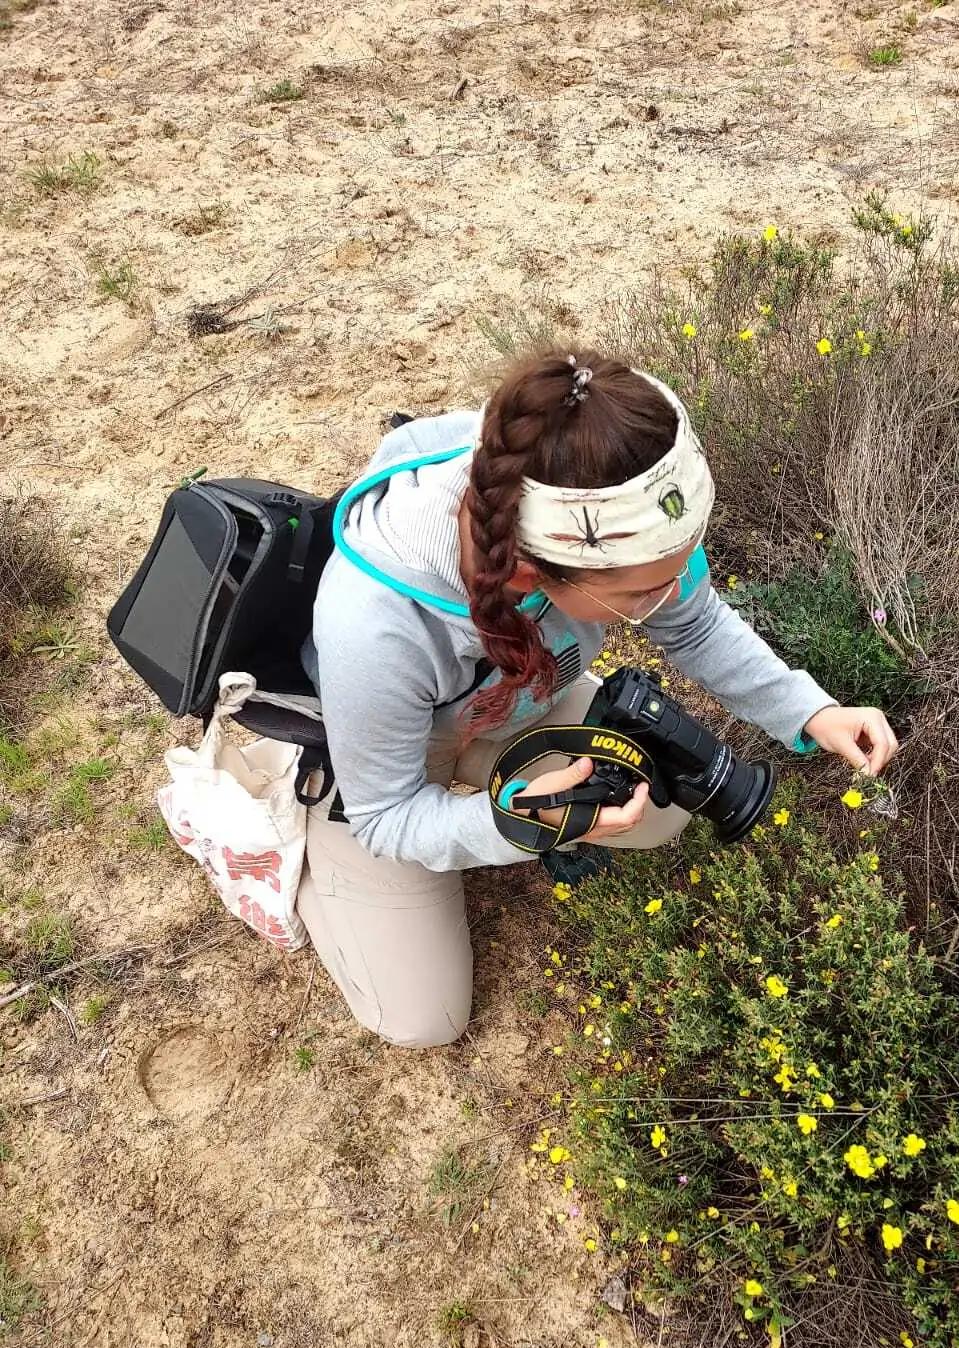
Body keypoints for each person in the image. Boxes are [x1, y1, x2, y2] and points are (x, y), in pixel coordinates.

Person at [298, 348, 898, 1047]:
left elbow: (696, 622)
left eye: (677, 569)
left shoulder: (582, 488)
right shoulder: (373, 627)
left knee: (657, 809)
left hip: (512, 699)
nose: (667, 598)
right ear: (529, 571)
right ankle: (306, 846)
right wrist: (510, 828)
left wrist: (810, 710)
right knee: (424, 1019)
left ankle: (491, 785)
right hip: (384, 764)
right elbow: (388, 815)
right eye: (640, 593)